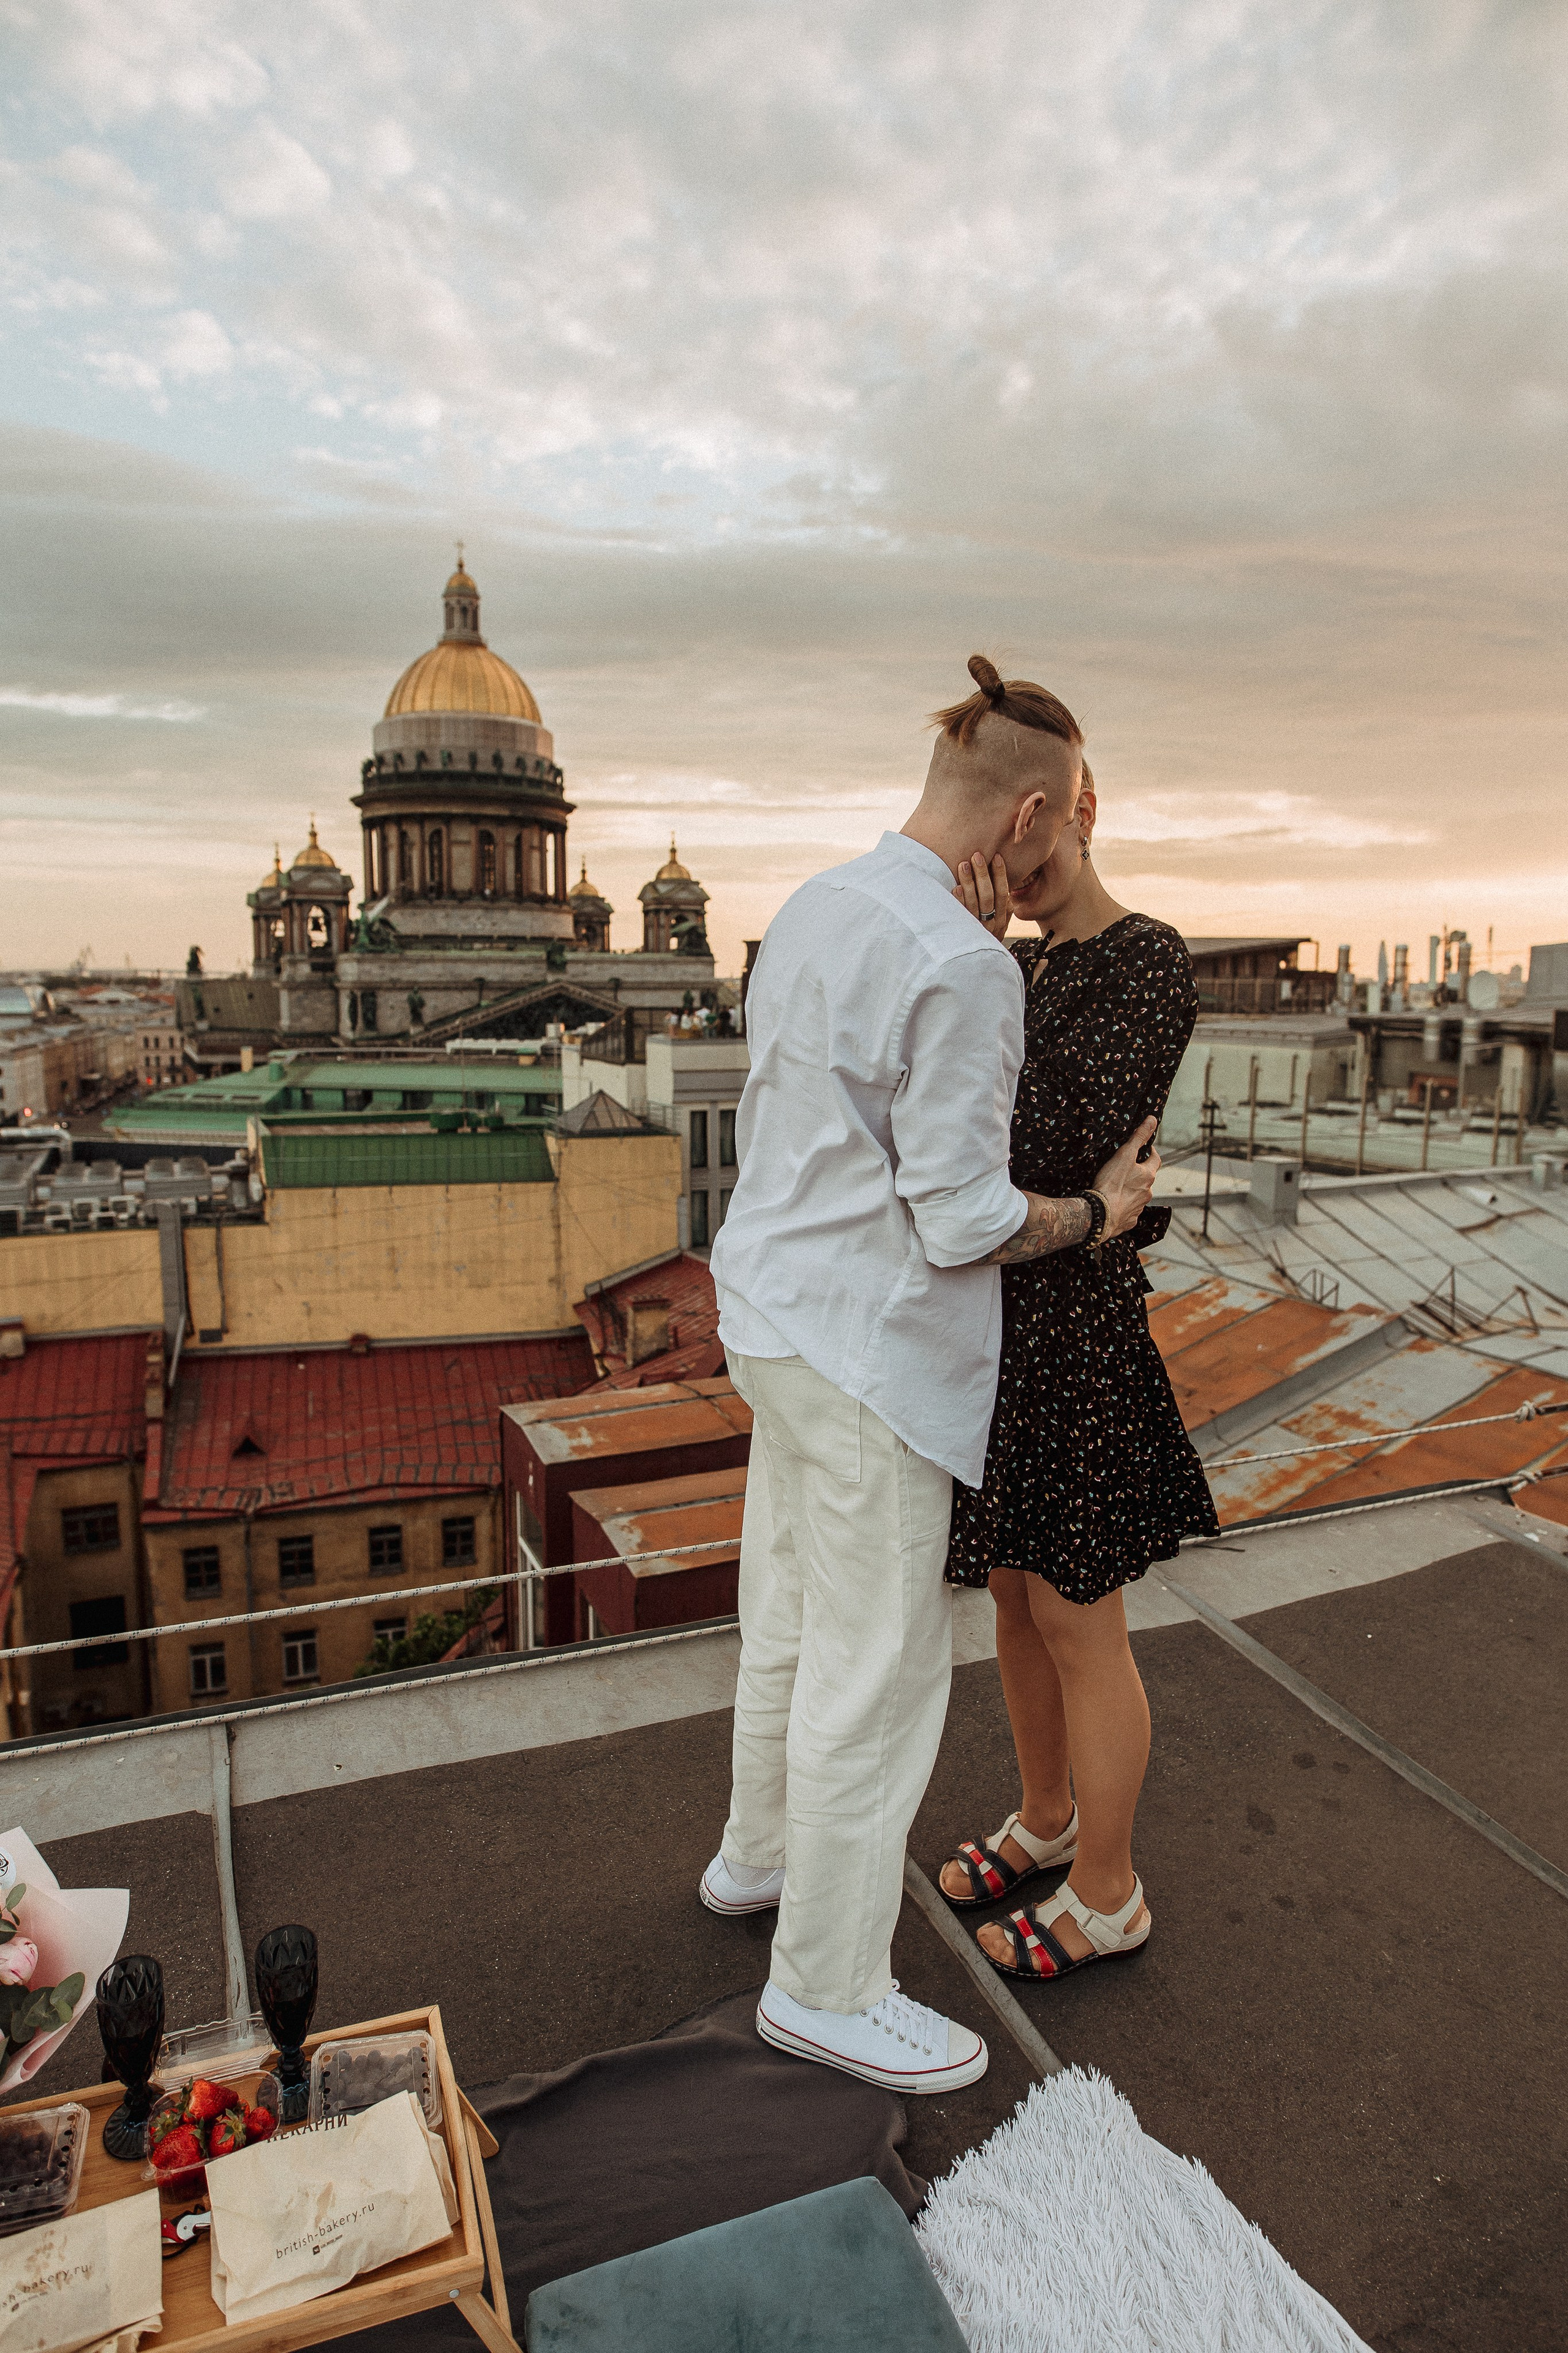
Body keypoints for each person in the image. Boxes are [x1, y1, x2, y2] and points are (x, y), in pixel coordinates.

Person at [702, 657, 1161, 2094]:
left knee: (782, 1614)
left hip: (768, 1316)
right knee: (879, 1670)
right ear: (1033, 810)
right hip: (870, 1351)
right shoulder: (965, 962)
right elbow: (961, 1213)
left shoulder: (819, 903)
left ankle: (756, 1856)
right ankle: (827, 1984)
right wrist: (1098, 1215)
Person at [936, 759, 1217, 1980]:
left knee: (1076, 1614)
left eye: (1036, 842)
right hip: (996, 1322)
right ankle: (1046, 1817)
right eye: (999, 847)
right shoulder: (992, 961)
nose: (1017, 867)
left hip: (1077, 1326)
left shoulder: (1145, 956)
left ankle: (1107, 1889)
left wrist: (1004, 1165)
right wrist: (969, 950)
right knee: (1007, 1590)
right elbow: (942, 1141)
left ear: (1079, 811)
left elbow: (1042, 1134)